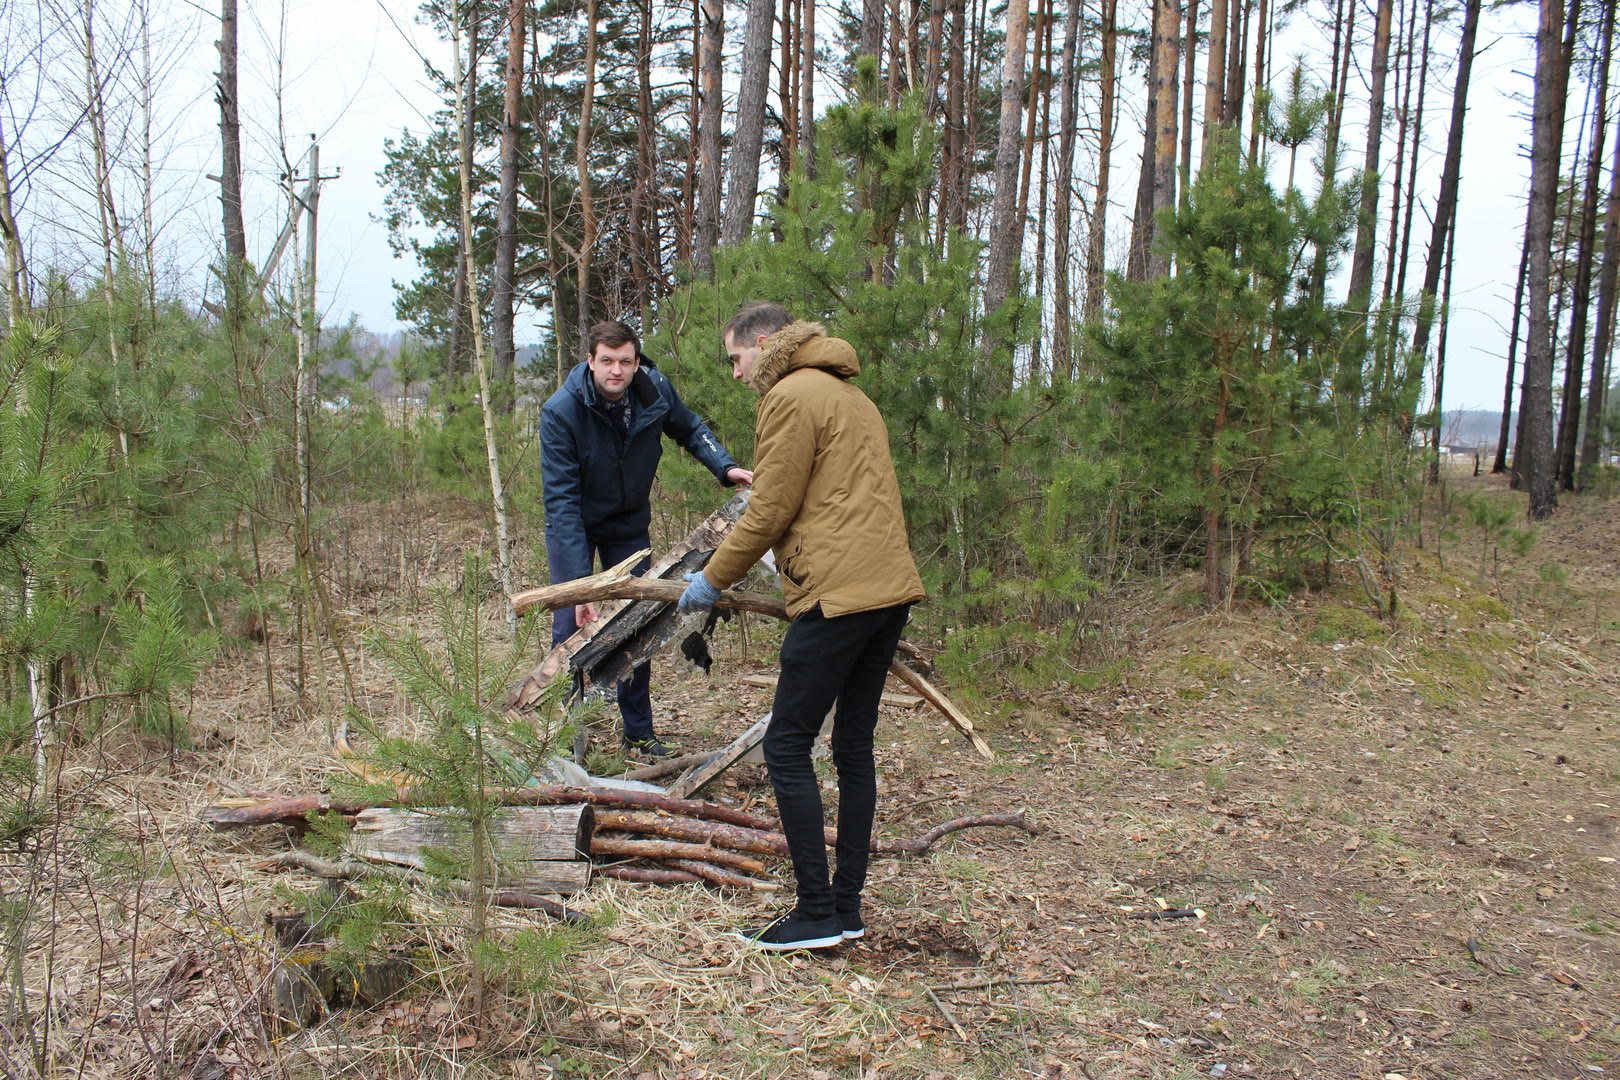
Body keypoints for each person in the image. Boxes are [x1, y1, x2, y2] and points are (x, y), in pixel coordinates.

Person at [679, 303, 926, 950]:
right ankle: (845, 908)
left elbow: (768, 512)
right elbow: (832, 495)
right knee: (852, 748)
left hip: (838, 595)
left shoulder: (790, 395)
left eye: (736, 358)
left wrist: (711, 580)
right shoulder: (851, 395)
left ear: (765, 343)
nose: (735, 374)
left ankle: (816, 912)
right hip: (886, 588)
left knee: (788, 746)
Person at [541, 320, 753, 759]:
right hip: (574, 526)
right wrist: (583, 585)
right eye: (606, 361)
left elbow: (690, 429)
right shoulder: (561, 411)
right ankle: (560, 740)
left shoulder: (653, 389)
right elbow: (561, 501)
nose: (615, 371)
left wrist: (725, 467)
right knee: (569, 630)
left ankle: (638, 732)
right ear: (590, 361)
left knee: (635, 623)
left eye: (624, 362)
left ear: (637, 363)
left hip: (629, 524)